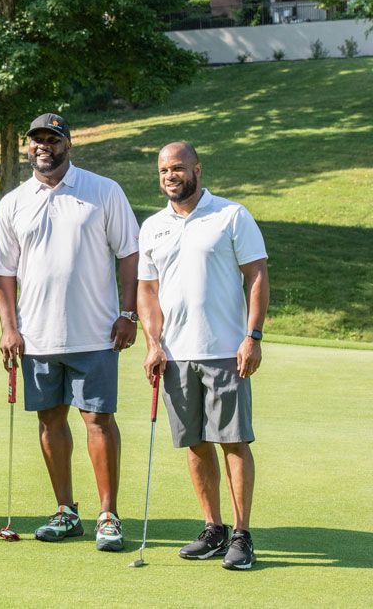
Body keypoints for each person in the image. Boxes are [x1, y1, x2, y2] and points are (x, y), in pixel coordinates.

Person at [0, 112, 139, 552]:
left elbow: (129, 254)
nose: (44, 147)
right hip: (37, 336)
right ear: (28, 146)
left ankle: (108, 514)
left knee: (98, 420)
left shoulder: (103, 191)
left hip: (94, 333)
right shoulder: (14, 202)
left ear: (67, 145)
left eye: (53, 140)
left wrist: (128, 313)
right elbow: (2, 273)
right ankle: (66, 510)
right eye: (37, 140)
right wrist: (9, 328)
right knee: (50, 419)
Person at [137, 142, 268, 571]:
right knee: (194, 444)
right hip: (175, 356)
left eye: (177, 168)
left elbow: (256, 275)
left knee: (233, 441)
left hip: (224, 351)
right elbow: (148, 291)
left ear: (196, 168)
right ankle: (213, 528)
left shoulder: (231, 215)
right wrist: (153, 344)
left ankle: (242, 534)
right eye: (163, 170)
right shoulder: (153, 226)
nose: (170, 176)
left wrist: (252, 336)